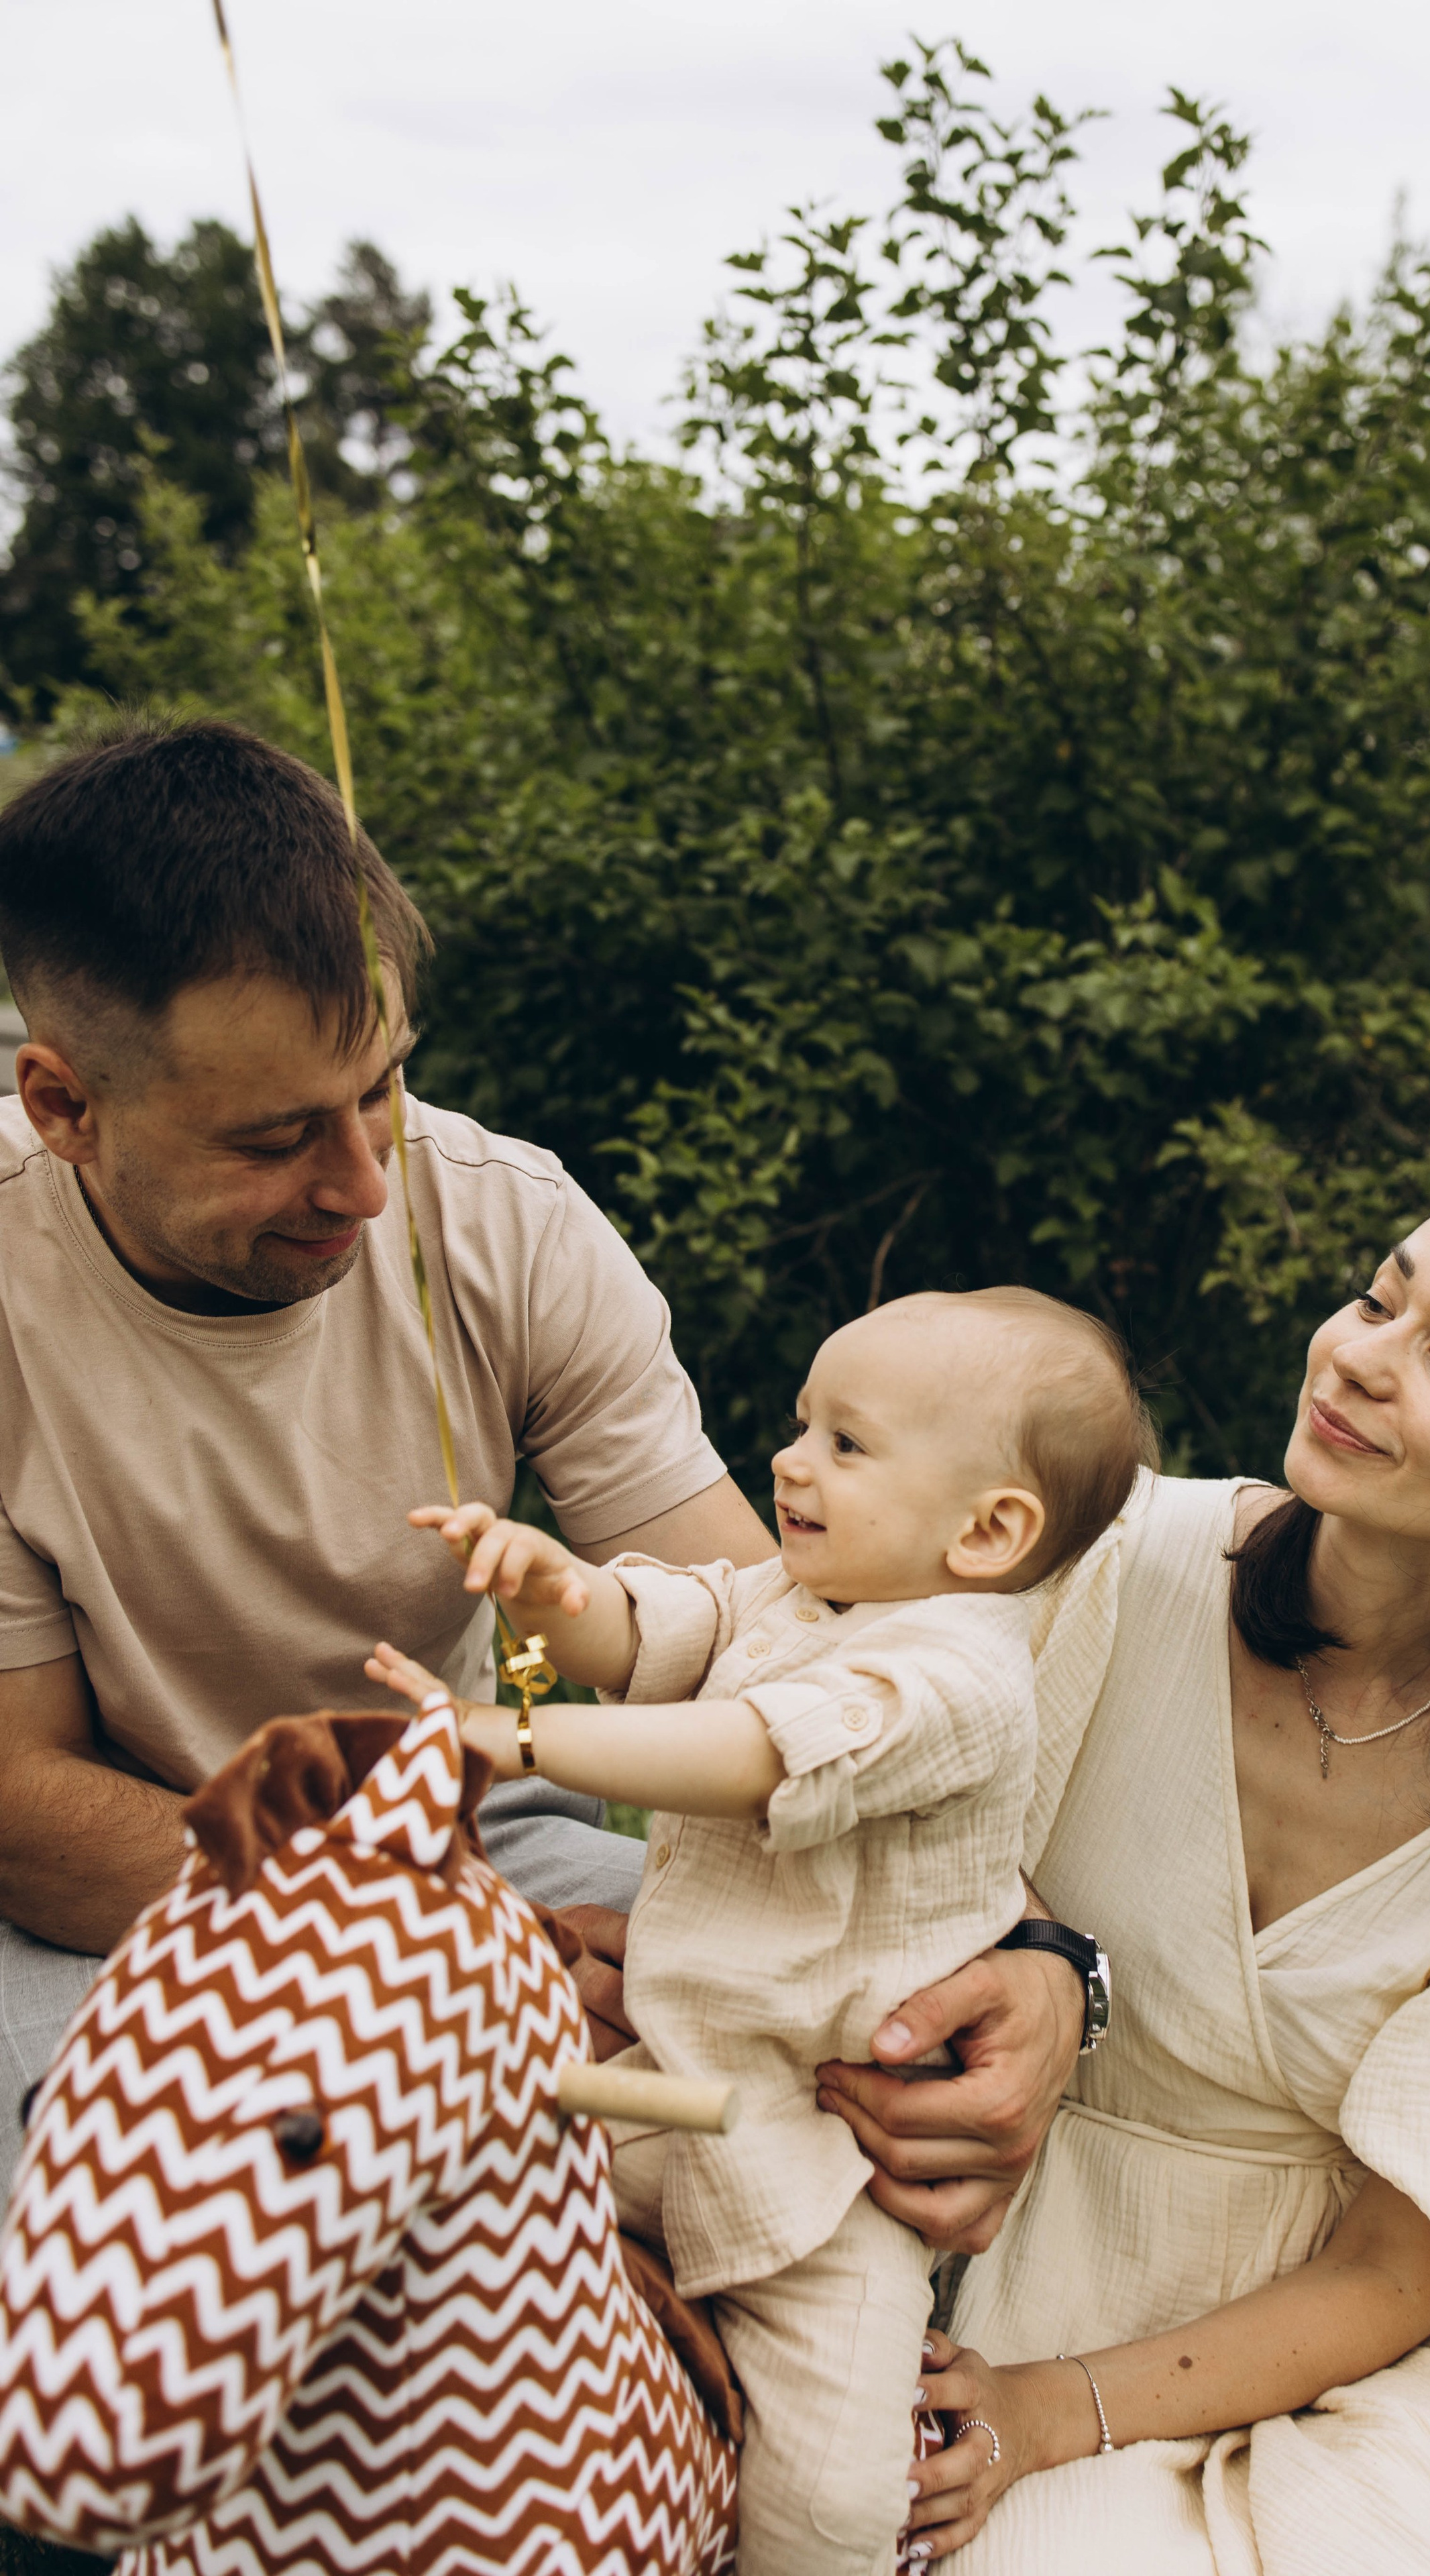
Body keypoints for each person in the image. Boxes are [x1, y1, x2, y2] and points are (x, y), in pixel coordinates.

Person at [0, 712, 1086, 2233]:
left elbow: (787, 1625)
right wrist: (441, 1951)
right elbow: (22, 1806)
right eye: (277, 1139)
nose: (368, 1186)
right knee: (152, 2235)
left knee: (856, 2047)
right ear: (64, 1107)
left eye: (380, 1088)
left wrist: (1031, 1954)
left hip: (465, 1822)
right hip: (107, 1897)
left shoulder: (508, 1222)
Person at [871, 1163, 1430, 2572]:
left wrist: (1045, 2413)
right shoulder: (1124, 1558)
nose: (1361, 1358)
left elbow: (1391, 2274)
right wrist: (1037, 1954)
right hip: (1010, 2240)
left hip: (1369, 2351)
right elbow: (879, 1787)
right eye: (1374, 1299)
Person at [370, 1285, 1148, 2576]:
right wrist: (555, 1588)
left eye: (847, 1443)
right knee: (441, 2160)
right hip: (667, 2085)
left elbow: (746, 1753)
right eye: (803, 1424)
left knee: (831, 2495)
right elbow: (657, 1635)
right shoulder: (795, 1596)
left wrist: (503, 1738)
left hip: (820, 2165)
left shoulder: (959, 1681)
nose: (790, 1461)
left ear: (988, 1530)